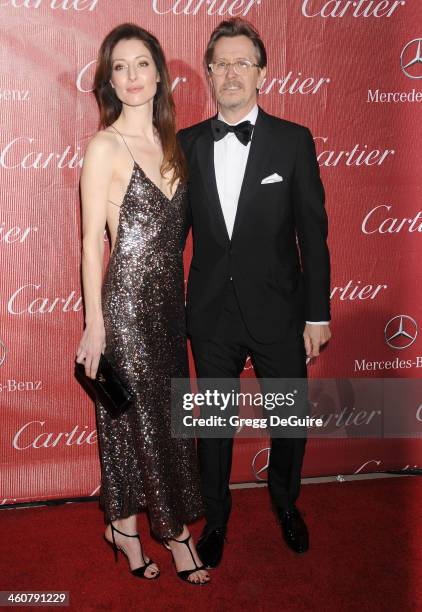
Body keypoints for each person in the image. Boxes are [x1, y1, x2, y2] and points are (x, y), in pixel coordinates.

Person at [178, 18, 331, 569]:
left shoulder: (293, 141)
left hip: (281, 312)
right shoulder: (187, 144)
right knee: (213, 425)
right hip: (211, 314)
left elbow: (312, 235)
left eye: (243, 62)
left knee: (289, 418)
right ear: (210, 73)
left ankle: (286, 503)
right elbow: (173, 239)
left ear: (262, 72)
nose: (231, 73)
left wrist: (317, 315)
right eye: (221, 63)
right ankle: (215, 518)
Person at [75, 23, 210, 585]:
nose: (132, 77)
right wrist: (95, 325)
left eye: (141, 64)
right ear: (110, 81)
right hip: (126, 309)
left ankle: (124, 527)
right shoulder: (104, 145)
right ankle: (176, 536)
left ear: (160, 73)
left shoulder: (177, 145)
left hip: (169, 311)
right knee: (141, 421)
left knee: (165, 420)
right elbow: (90, 244)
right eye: (120, 68)